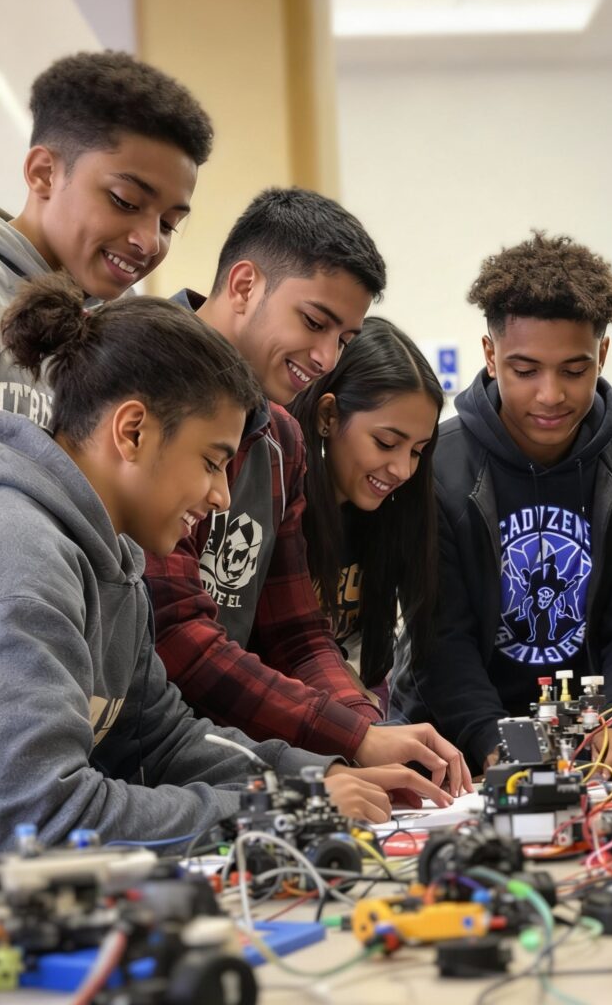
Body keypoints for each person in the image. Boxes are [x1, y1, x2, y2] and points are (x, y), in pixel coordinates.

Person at [0, 275, 440, 847]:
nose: (222, 497)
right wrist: (283, 809)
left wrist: (317, 777)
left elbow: (162, 739)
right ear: (132, 432)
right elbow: (44, 814)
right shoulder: (26, 564)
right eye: (211, 462)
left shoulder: (119, 561)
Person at [144, 189, 471, 796]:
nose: (324, 357)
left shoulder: (282, 439)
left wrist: (370, 729)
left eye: (343, 340)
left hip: (227, 759)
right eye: (314, 322)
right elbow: (174, 635)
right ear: (243, 285)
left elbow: (297, 634)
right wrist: (351, 742)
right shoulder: (137, 379)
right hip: (144, 766)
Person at [393, 231, 612, 778]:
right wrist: (493, 743)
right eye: (526, 371)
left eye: (574, 370)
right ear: (491, 355)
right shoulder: (434, 467)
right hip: (456, 751)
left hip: (598, 748)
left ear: (603, 356)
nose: (550, 395)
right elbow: (440, 640)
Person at [0, 51, 212, 426]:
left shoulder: (132, 342)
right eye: (125, 201)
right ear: (44, 173)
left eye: (168, 224)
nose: (148, 243)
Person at [289, 317, 443, 713]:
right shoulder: (283, 511)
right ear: (328, 417)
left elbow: (369, 670)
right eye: (386, 442)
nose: (403, 470)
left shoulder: (384, 520)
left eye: (416, 451)